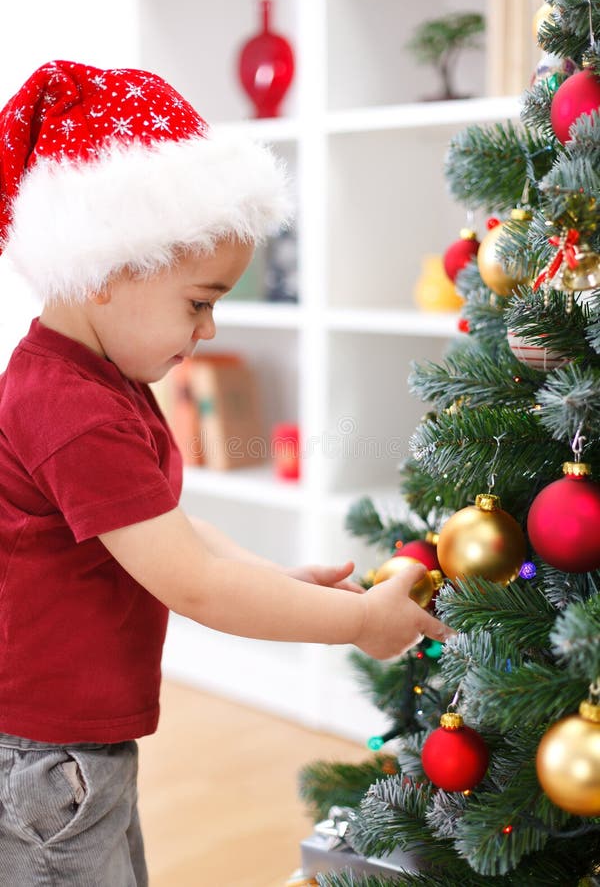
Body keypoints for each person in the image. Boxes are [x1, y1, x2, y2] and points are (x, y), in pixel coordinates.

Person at [0, 60, 453, 886]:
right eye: (199, 300)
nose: (210, 328)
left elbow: (173, 534)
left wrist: (279, 577)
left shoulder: (94, 380)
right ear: (107, 269)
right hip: (44, 760)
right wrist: (354, 625)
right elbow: (194, 583)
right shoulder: (76, 409)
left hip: (65, 749)